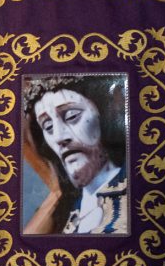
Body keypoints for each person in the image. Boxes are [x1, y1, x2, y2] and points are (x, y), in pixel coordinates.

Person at [22, 74, 128, 234]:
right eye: (48, 126)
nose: (58, 137)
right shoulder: (71, 212)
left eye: (72, 116)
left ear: (104, 115)